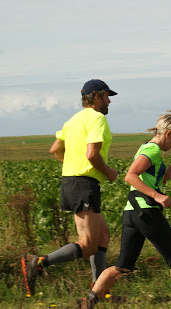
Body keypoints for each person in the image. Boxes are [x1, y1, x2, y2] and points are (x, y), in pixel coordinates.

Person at [78, 110, 171, 308]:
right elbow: (131, 176)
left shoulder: (145, 148)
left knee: (123, 267)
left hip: (132, 213)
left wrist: (166, 177)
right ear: (168, 134)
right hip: (146, 212)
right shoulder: (153, 151)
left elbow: (146, 180)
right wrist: (157, 196)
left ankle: (88, 302)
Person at [21, 79, 119, 296]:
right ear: (97, 97)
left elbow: (55, 149)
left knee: (102, 236)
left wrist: (72, 165)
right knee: (88, 245)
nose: (109, 101)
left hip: (72, 182)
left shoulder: (73, 120)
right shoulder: (97, 119)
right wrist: (108, 171)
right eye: (106, 96)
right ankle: (38, 263)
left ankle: (98, 293)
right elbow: (92, 154)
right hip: (84, 184)